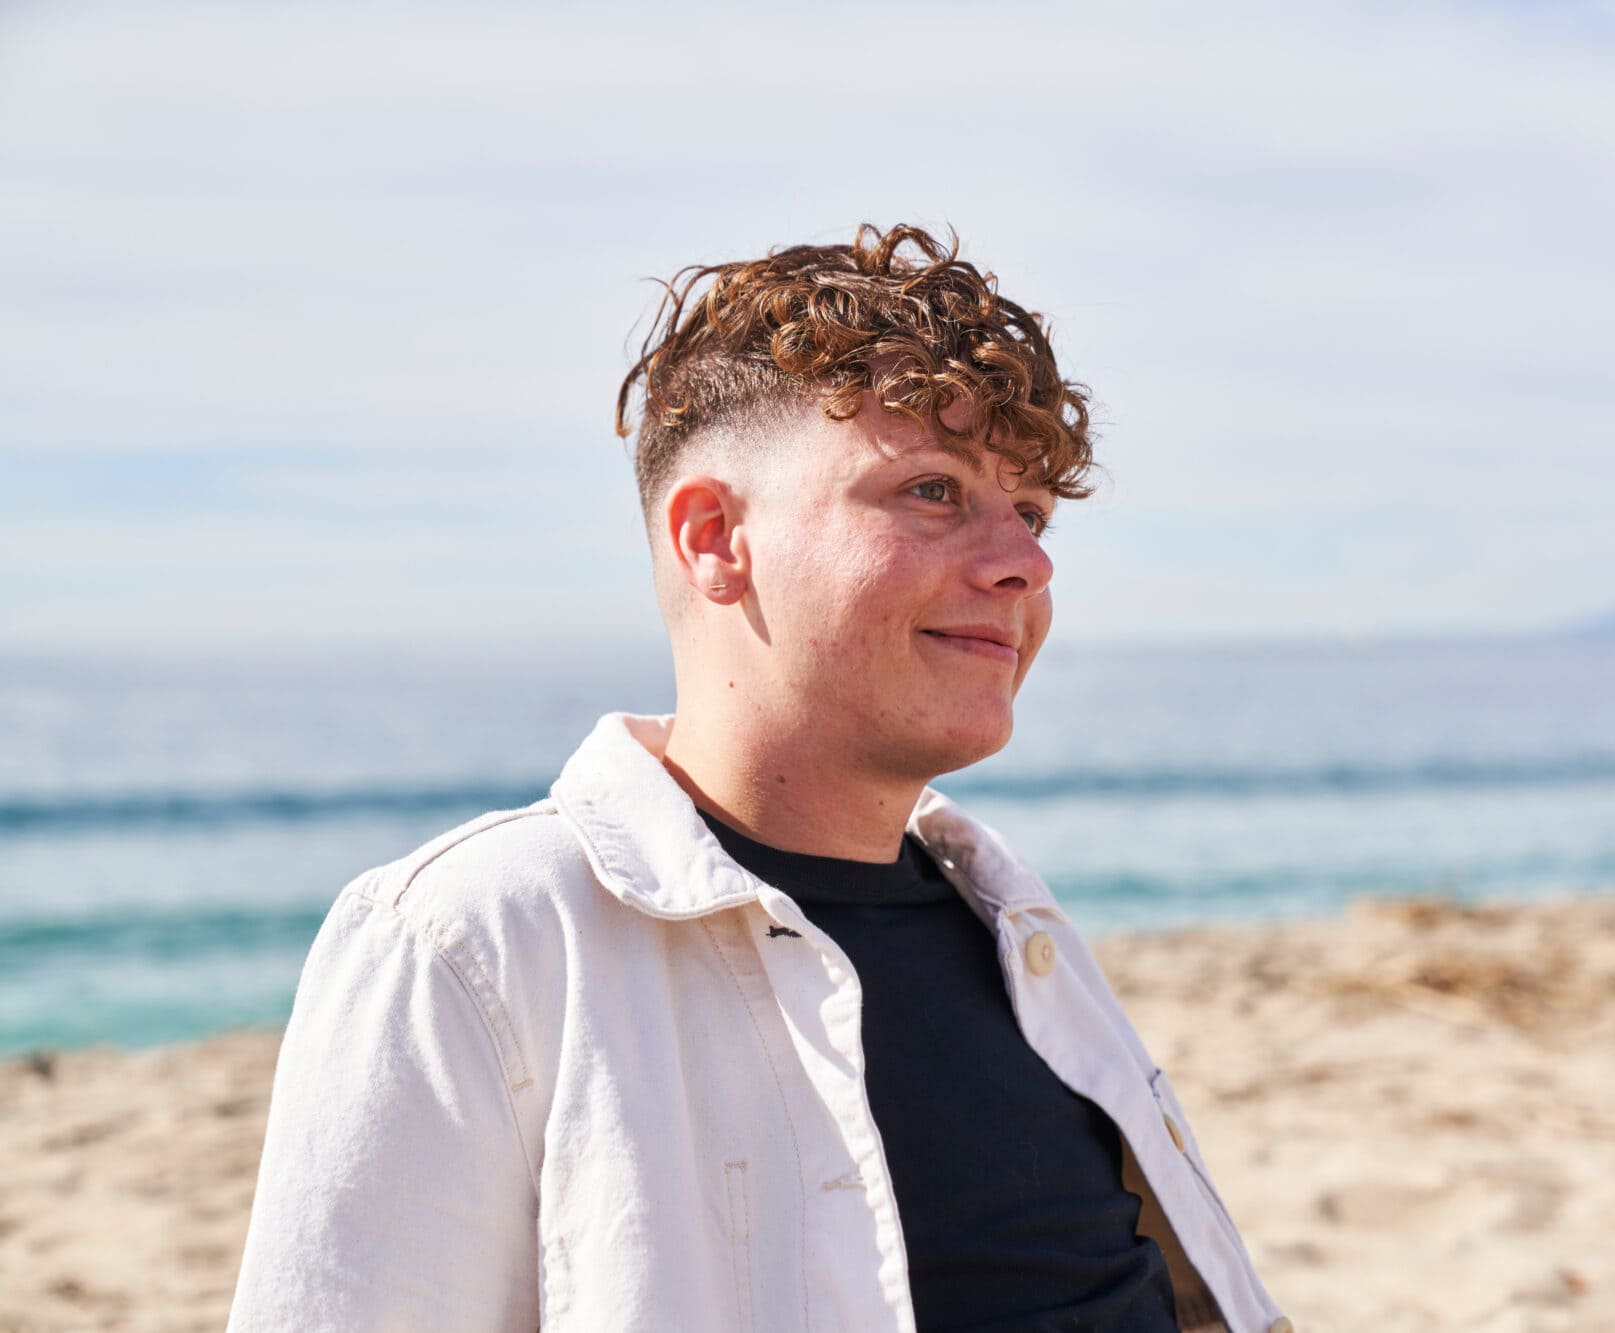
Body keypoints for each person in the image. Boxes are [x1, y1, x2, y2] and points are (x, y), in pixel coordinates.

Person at [227, 223, 1290, 1332]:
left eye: (1028, 512)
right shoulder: (474, 939)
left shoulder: (1006, 915)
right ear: (714, 538)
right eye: (934, 490)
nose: (1027, 561)